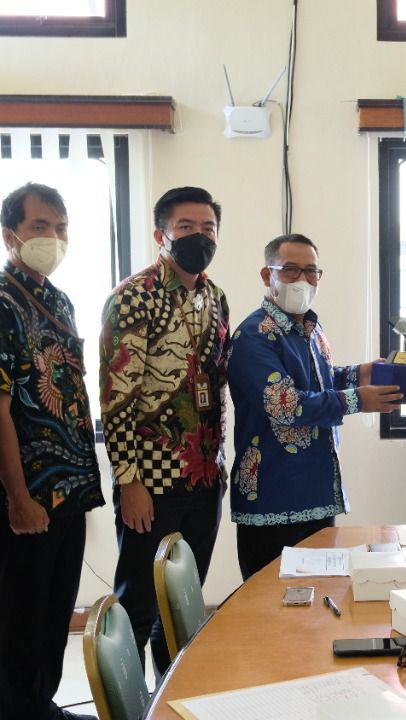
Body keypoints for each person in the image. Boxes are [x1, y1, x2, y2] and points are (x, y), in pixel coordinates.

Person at [0, 183, 105, 720]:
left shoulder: (57, 300)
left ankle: (42, 710)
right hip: (27, 491)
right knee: (21, 617)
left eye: (61, 226)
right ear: (10, 234)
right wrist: (18, 497)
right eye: (41, 225)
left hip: (68, 482)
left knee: (53, 611)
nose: (53, 237)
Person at [100, 187, 229, 676]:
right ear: (162, 235)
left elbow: (217, 381)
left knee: (183, 603)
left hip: (205, 476)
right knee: (139, 604)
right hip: (151, 480)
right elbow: (117, 397)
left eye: (208, 228)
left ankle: (170, 697)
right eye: (186, 227)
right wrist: (128, 481)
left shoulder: (215, 297)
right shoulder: (133, 296)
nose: (199, 236)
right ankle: (130, 711)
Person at [228, 234, 401, 579]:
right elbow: (285, 404)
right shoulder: (253, 336)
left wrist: (360, 373)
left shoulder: (310, 328)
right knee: (270, 602)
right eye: (290, 270)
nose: (302, 280)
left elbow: (319, 381)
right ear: (267, 275)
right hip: (273, 497)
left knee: (321, 595)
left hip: (317, 491)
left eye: (311, 271)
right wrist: (359, 399)